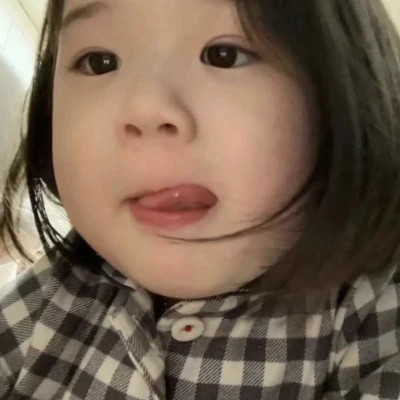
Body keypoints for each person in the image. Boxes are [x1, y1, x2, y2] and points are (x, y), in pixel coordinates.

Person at [1, 0, 400, 398]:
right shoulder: (56, 288)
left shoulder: (376, 311)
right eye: (99, 62)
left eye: (224, 55)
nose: (146, 108)